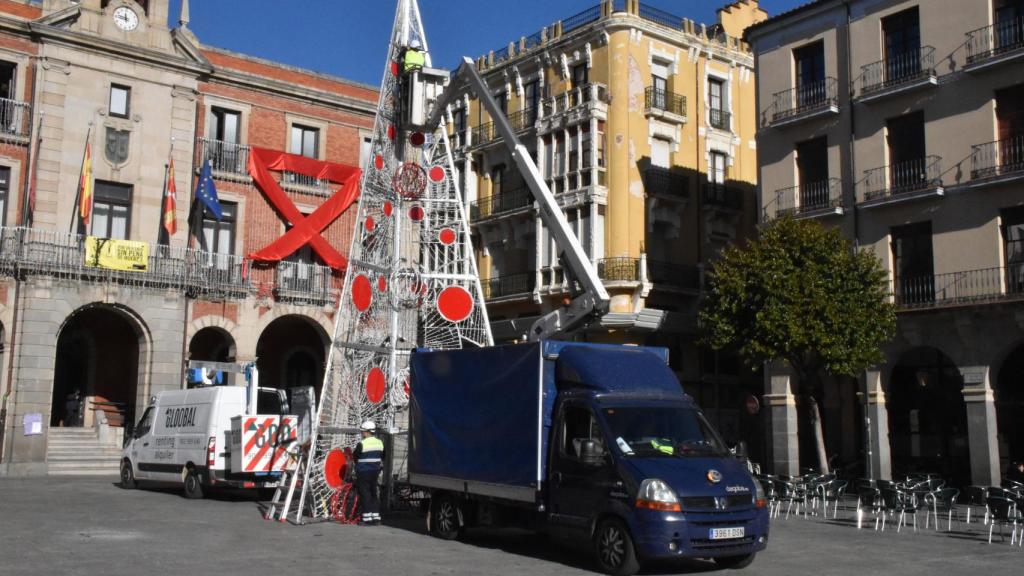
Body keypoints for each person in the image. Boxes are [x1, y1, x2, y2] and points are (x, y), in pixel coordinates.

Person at [352, 420, 385, 525]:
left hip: (363, 472)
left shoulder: (362, 443)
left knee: (365, 494)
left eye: (362, 431)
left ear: (367, 432)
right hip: (375, 472)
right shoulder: (380, 443)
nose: (362, 433)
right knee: (373, 493)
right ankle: (376, 518)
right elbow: (383, 457)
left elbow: (355, 456)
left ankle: (366, 518)